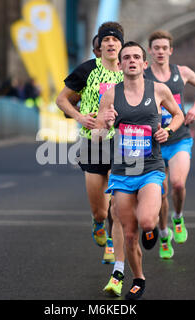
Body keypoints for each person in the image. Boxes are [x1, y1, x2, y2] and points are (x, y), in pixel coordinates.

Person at [96, 41, 184, 300]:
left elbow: (178, 115)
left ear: (144, 64)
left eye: (137, 57)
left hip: (151, 169)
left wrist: (167, 131)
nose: (132, 61)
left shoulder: (158, 90)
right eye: (127, 57)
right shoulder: (111, 94)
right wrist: (107, 123)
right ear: (120, 65)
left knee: (147, 221)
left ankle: (153, 229)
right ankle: (138, 279)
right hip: (122, 171)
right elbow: (99, 135)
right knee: (129, 232)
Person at [56, 22, 126, 294]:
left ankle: (115, 258)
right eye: (106, 40)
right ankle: (98, 224)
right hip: (93, 143)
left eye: (115, 40)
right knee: (100, 209)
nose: (111, 44)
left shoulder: (129, 72)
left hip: (122, 144)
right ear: (101, 45)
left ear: (121, 45)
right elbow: (62, 100)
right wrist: (79, 116)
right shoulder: (87, 70)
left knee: (117, 207)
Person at [144, 30, 195, 259]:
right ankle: (163, 234)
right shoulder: (143, 73)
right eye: (156, 48)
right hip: (153, 142)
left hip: (179, 137)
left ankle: (178, 218)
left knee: (178, 184)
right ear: (150, 51)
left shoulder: (182, 72)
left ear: (171, 50)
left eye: (164, 48)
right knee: (160, 194)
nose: (160, 52)